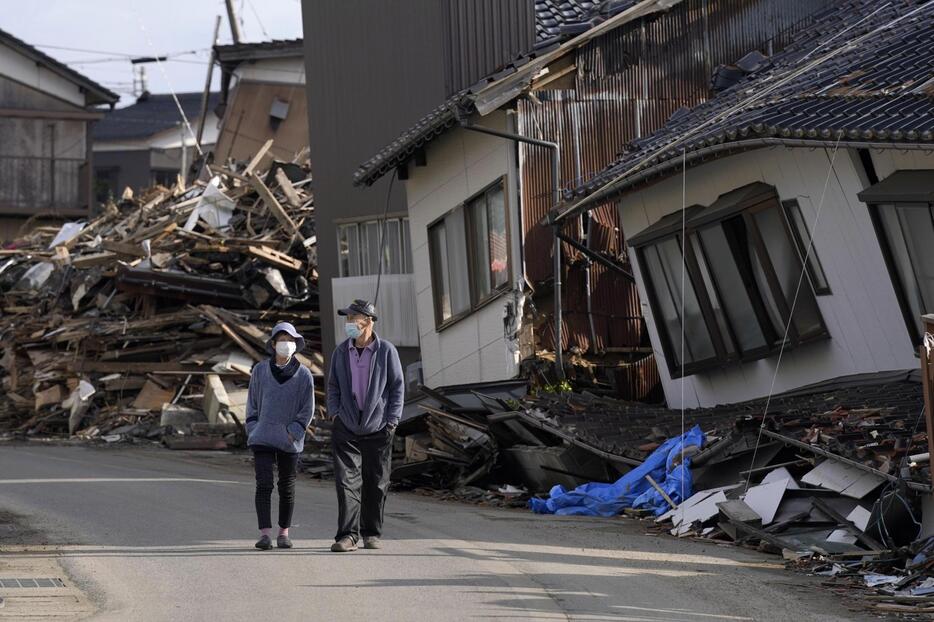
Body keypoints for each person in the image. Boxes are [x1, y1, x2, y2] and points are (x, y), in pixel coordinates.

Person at [327, 299, 404, 552]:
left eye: (353, 319)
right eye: (347, 319)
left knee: (376, 481)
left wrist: (392, 421)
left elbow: (396, 388)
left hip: (378, 425)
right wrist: (335, 414)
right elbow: (334, 386)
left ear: (368, 322)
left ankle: (371, 532)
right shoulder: (341, 352)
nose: (348, 324)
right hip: (346, 425)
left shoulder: (386, 351)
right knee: (346, 482)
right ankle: (348, 535)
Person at [245, 322, 315, 550]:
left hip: (289, 439)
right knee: (263, 484)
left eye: (291, 340)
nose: (287, 344)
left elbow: (308, 408)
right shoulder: (260, 371)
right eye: (282, 340)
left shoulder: (304, 375)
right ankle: (264, 534)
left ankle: (283, 533)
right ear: (273, 344)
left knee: (287, 486)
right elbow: (252, 403)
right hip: (262, 437)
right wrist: (253, 428)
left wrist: (293, 432)